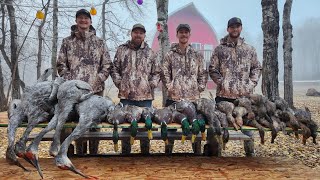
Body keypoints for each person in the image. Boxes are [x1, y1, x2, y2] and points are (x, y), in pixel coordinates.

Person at [56, 9, 113, 155]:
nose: (83, 20)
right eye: (80, 18)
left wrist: (97, 80)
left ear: (90, 21)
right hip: (75, 93)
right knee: (77, 122)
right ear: (76, 21)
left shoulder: (99, 42)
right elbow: (61, 65)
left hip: (95, 91)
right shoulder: (67, 42)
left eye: (86, 18)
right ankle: (80, 154)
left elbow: (107, 65)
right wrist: (72, 84)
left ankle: (94, 153)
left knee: (94, 123)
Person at [208, 17, 262, 156]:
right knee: (218, 127)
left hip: (244, 97)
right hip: (223, 97)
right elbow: (212, 69)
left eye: (237, 26)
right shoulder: (220, 49)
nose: (235, 29)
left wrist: (250, 84)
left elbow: (256, 68)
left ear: (241, 28)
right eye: (232, 27)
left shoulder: (249, 49)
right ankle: (215, 155)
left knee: (248, 128)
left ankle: (250, 154)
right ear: (228, 29)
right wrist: (222, 82)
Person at [111, 23, 160, 154]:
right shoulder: (122, 50)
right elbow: (114, 68)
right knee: (126, 127)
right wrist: (120, 83)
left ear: (144, 35)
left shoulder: (150, 53)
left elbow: (156, 72)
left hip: (145, 97)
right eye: (135, 32)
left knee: (146, 126)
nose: (138, 34)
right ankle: (125, 154)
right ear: (131, 33)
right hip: (127, 97)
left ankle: (145, 154)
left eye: (141, 33)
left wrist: (152, 84)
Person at [161, 24, 207, 106]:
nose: (184, 34)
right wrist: (170, 87)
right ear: (177, 35)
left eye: (186, 32)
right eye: (181, 32)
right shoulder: (170, 54)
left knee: (193, 119)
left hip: (193, 98)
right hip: (174, 99)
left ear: (189, 35)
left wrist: (199, 87)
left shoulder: (197, 55)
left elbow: (203, 73)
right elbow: (164, 73)